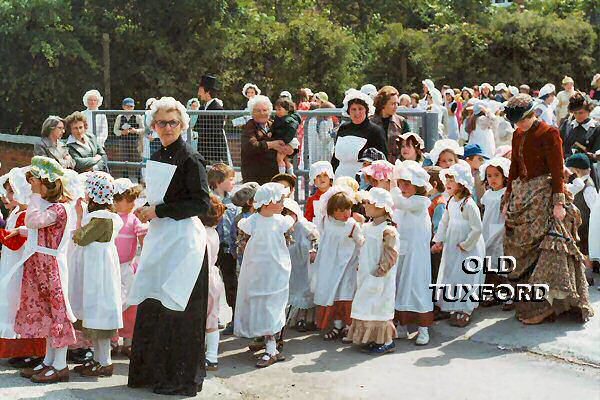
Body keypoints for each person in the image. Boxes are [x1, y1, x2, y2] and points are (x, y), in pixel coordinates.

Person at [126, 97, 211, 396]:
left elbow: (201, 203)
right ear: (153, 125)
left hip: (184, 242)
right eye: (161, 122)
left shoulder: (190, 157)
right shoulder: (159, 153)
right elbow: (163, 196)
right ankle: (152, 372)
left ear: (183, 124)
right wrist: (149, 207)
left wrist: (158, 211)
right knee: (154, 303)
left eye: (173, 122)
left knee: (180, 308)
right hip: (163, 238)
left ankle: (181, 379)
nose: (167, 127)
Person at [503, 94, 593, 325]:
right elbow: (514, 166)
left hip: (543, 196)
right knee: (517, 249)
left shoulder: (549, 133)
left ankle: (547, 306)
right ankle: (525, 301)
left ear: (532, 115)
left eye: (522, 120)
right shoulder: (517, 134)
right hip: (522, 195)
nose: (519, 125)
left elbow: (556, 170)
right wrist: (508, 196)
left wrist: (558, 203)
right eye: (516, 122)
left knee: (546, 251)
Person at [13, 157, 77, 383]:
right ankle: (50, 360)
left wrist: (35, 197)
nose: (31, 184)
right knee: (47, 312)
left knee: (57, 311)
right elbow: (35, 229)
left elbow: (33, 221)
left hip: (51, 267)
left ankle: (60, 364)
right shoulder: (51, 207)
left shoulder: (59, 209)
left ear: (44, 183)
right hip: (41, 264)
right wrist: (20, 231)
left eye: (34, 180)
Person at [234, 182, 294, 368]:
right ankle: (271, 346)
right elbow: (242, 241)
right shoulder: (252, 221)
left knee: (273, 304)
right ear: (268, 202)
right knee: (260, 303)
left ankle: (270, 348)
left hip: (276, 269)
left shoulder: (281, 221)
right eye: (280, 199)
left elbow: (288, 240)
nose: (284, 202)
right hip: (257, 270)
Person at [70, 171, 123, 378]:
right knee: (95, 315)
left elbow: (80, 237)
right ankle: (98, 359)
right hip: (97, 271)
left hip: (98, 275)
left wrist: (80, 216)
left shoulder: (100, 219)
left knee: (98, 314)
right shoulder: (105, 217)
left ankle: (105, 362)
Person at [0, 168, 46, 367]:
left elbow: (15, 242)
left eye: (11, 191)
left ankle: (31, 350)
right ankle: (19, 348)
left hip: (22, 268)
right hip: (13, 265)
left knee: (20, 306)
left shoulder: (26, 214)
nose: (8, 196)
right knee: (12, 306)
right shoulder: (17, 212)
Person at [431, 163, 485, 328]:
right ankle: (452, 306)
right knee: (452, 274)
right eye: (446, 179)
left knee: (466, 276)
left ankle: (465, 309)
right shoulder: (449, 202)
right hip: (452, 243)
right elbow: (444, 222)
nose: (447, 183)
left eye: (452, 180)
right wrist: (438, 240)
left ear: (461, 182)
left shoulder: (468, 204)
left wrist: (467, 244)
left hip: (468, 246)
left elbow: (477, 228)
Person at [346, 188, 398, 354]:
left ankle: (387, 340)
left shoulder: (387, 230)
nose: (365, 206)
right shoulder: (368, 227)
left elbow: (391, 253)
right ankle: (373, 338)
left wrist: (380, 272)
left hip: (379, 276)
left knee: (380, 305)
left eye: (369, 203)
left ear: (381, 206)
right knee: (367, 304)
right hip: (366, 273)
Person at [392, 161, 434, 345]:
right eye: (400, 183)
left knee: (417, 287)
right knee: (400, 286)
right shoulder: (404, 203)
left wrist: (388, 188)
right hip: (403, 252)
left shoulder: (419, 202)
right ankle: (402, 325)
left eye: (407, 183)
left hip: (417, 256)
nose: (402, 187)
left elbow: (399, 202)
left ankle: (423, 329)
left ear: (418, 185)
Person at [313, 188, 364, 340]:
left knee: (346, 294)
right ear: (332, 211)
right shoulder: (325, 222)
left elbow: (361, 243)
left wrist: (361, 261)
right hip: (329, 265)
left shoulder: (352, 225)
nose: (346, 213)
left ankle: (349, 326)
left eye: (348, 208)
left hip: (347, 266)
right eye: (340, 210)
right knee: (332, 294)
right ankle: (337, 326)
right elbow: (318, 237)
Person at [112, 178, 146, 358]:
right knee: (112, 303)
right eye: (129, 200)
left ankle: (128, 340)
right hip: (111, 268)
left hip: (127, 268)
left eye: (133, 200)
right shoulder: (110, 218)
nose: (133, 203)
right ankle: (111, 340)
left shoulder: (133, 220)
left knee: (130, 306)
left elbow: (143, 240)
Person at [479, 157, 512, 310]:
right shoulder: (487, 194)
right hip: (487, 229)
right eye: (489, 175)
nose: (492, 179)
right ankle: (492, 294)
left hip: (500, 229)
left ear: (504, 176)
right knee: (489, 262)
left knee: (502, 262)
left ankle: (508, 296)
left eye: (496, 175)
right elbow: (485, 212)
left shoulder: (505, 194)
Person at [331, 89, 387, 178]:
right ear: (348, 111)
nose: (357, 113)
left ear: (367, 110)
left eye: (360, 109)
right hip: (339, 178)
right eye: (353, 109)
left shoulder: (375, 131)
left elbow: (382, 161)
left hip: (363, 181)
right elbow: (335, 159)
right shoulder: (343, 128)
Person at [283, 198, 319, 332]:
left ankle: (307, 318)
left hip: (305, 261)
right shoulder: (286, 229)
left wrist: (313, 250)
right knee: (295, 287)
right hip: (294, 261)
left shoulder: (304, 226)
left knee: (306, 288)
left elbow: (314, 238)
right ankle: (296, 317)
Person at [241, 95, 293, 184]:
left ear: (269, 112)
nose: (262, 113)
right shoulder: (249, 126)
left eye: (265, 110)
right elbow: (251, 146)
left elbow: (290, 146)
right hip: (255, 176)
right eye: (258, 110)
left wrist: (290, 149)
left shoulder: (275, 125)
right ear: (252, 113)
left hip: (275, 176)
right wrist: (272, 144)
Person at [200, 195, 226, 372]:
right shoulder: (214, 233)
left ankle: (199, 353)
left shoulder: (199, 234)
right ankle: (212, 356)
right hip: (214, 278)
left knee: (198, 317)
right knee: (212, 319)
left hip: (201, 278)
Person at [565, 154, 597, 264]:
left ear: (576, 171)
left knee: (586, 261)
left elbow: (595, 210)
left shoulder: (588, 188)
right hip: (580, 229)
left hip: (586, 232)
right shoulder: (581, 185)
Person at [371, 86, 410, 163]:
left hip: (396, 165)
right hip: (375, 165)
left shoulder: (401, 122)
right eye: (393, 104)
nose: (396, 107)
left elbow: (409, 145)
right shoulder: (370, 122)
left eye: (397, 103)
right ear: (383, 104)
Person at [197, 74, 229, 165]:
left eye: (200, 91)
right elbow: (198, 126)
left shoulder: (217, 109)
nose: (199, 94)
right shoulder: (202, 108)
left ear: (207, 92)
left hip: (214, 151)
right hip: (202, 150)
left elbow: (215, 131)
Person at [111, 97, 144, 179]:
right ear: (123, 106)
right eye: (127, 106)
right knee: (124, 160)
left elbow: (143, 129)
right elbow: (115, 130)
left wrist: (135, 131)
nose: (129, 108)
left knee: (137, 159)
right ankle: (125, 179)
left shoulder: (138, 116)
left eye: (131, 106)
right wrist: (122, 132)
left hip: (135, 141)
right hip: (123, 141)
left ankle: (139, 178)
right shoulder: (119, 117)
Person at [272, 97, 301, 175]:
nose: (277, 112)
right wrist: (270, 132)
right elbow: (274, 126)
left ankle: (281, 174)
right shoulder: (279, 118)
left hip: (288, 141)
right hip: (285, 140)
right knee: (285, 159)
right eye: (276, 109)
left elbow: (291, 132)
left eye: (279, 109)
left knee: (279, 158)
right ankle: (291, 173)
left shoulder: (289, 120)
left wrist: (285, 141)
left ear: (287, 110)